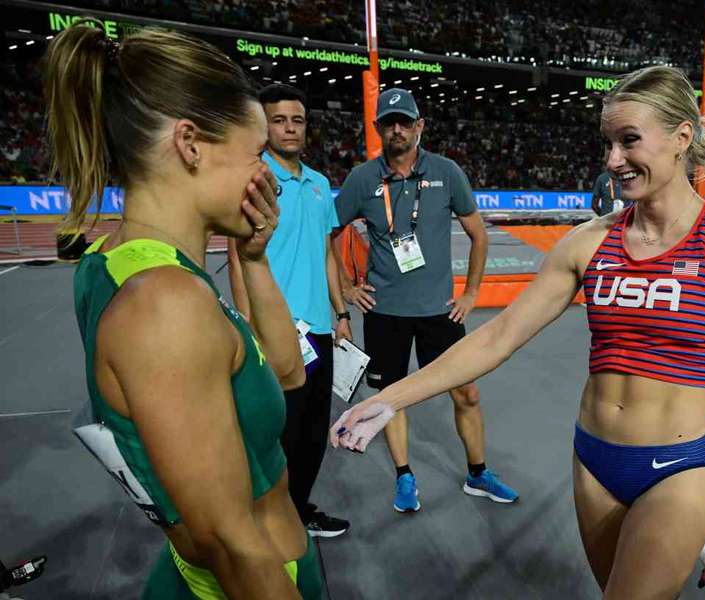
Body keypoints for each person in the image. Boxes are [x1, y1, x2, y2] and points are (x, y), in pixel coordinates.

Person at [331, 66, 705, 598]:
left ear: (683, 137)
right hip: (593, 461)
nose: (613, 161)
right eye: (608, 143)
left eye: (629, 140)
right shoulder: (589, 242)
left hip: (680, 468)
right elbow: (499, 336)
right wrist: (391, 399)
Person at [45, 23, 323, 598]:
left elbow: (288, 372)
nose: (264, 175)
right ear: (191, 143)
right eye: (254, 154)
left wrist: (253, 258)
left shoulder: (115, 262)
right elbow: (230, 542)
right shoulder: (166, 304)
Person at [332, 88, 519, 512]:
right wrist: (345, 287)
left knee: (466, 393)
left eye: (404, 121)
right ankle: (405, 478)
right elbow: (330, 235)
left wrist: (472, 292)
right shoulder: (363, 179)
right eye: (388, 123)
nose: (396, 129)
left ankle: (478, 474)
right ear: (378, 129)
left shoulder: (447, 172)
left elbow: (478, 234)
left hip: (440, 312)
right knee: (389, 399)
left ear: (419, 126)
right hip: (384, 314)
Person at [228, 84, 350, 539]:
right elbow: (239, 257)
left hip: (318, 330)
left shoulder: (319, 185)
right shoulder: (253, 181)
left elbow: (326, 255)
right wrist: (248, 327)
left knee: (315, 433)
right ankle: (268, 522)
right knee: (280, 434)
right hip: (276, 332)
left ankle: (297, 512)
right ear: (265, 126)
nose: (290, 127)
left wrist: (340, 313)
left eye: (297, 120)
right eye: (279, 120)